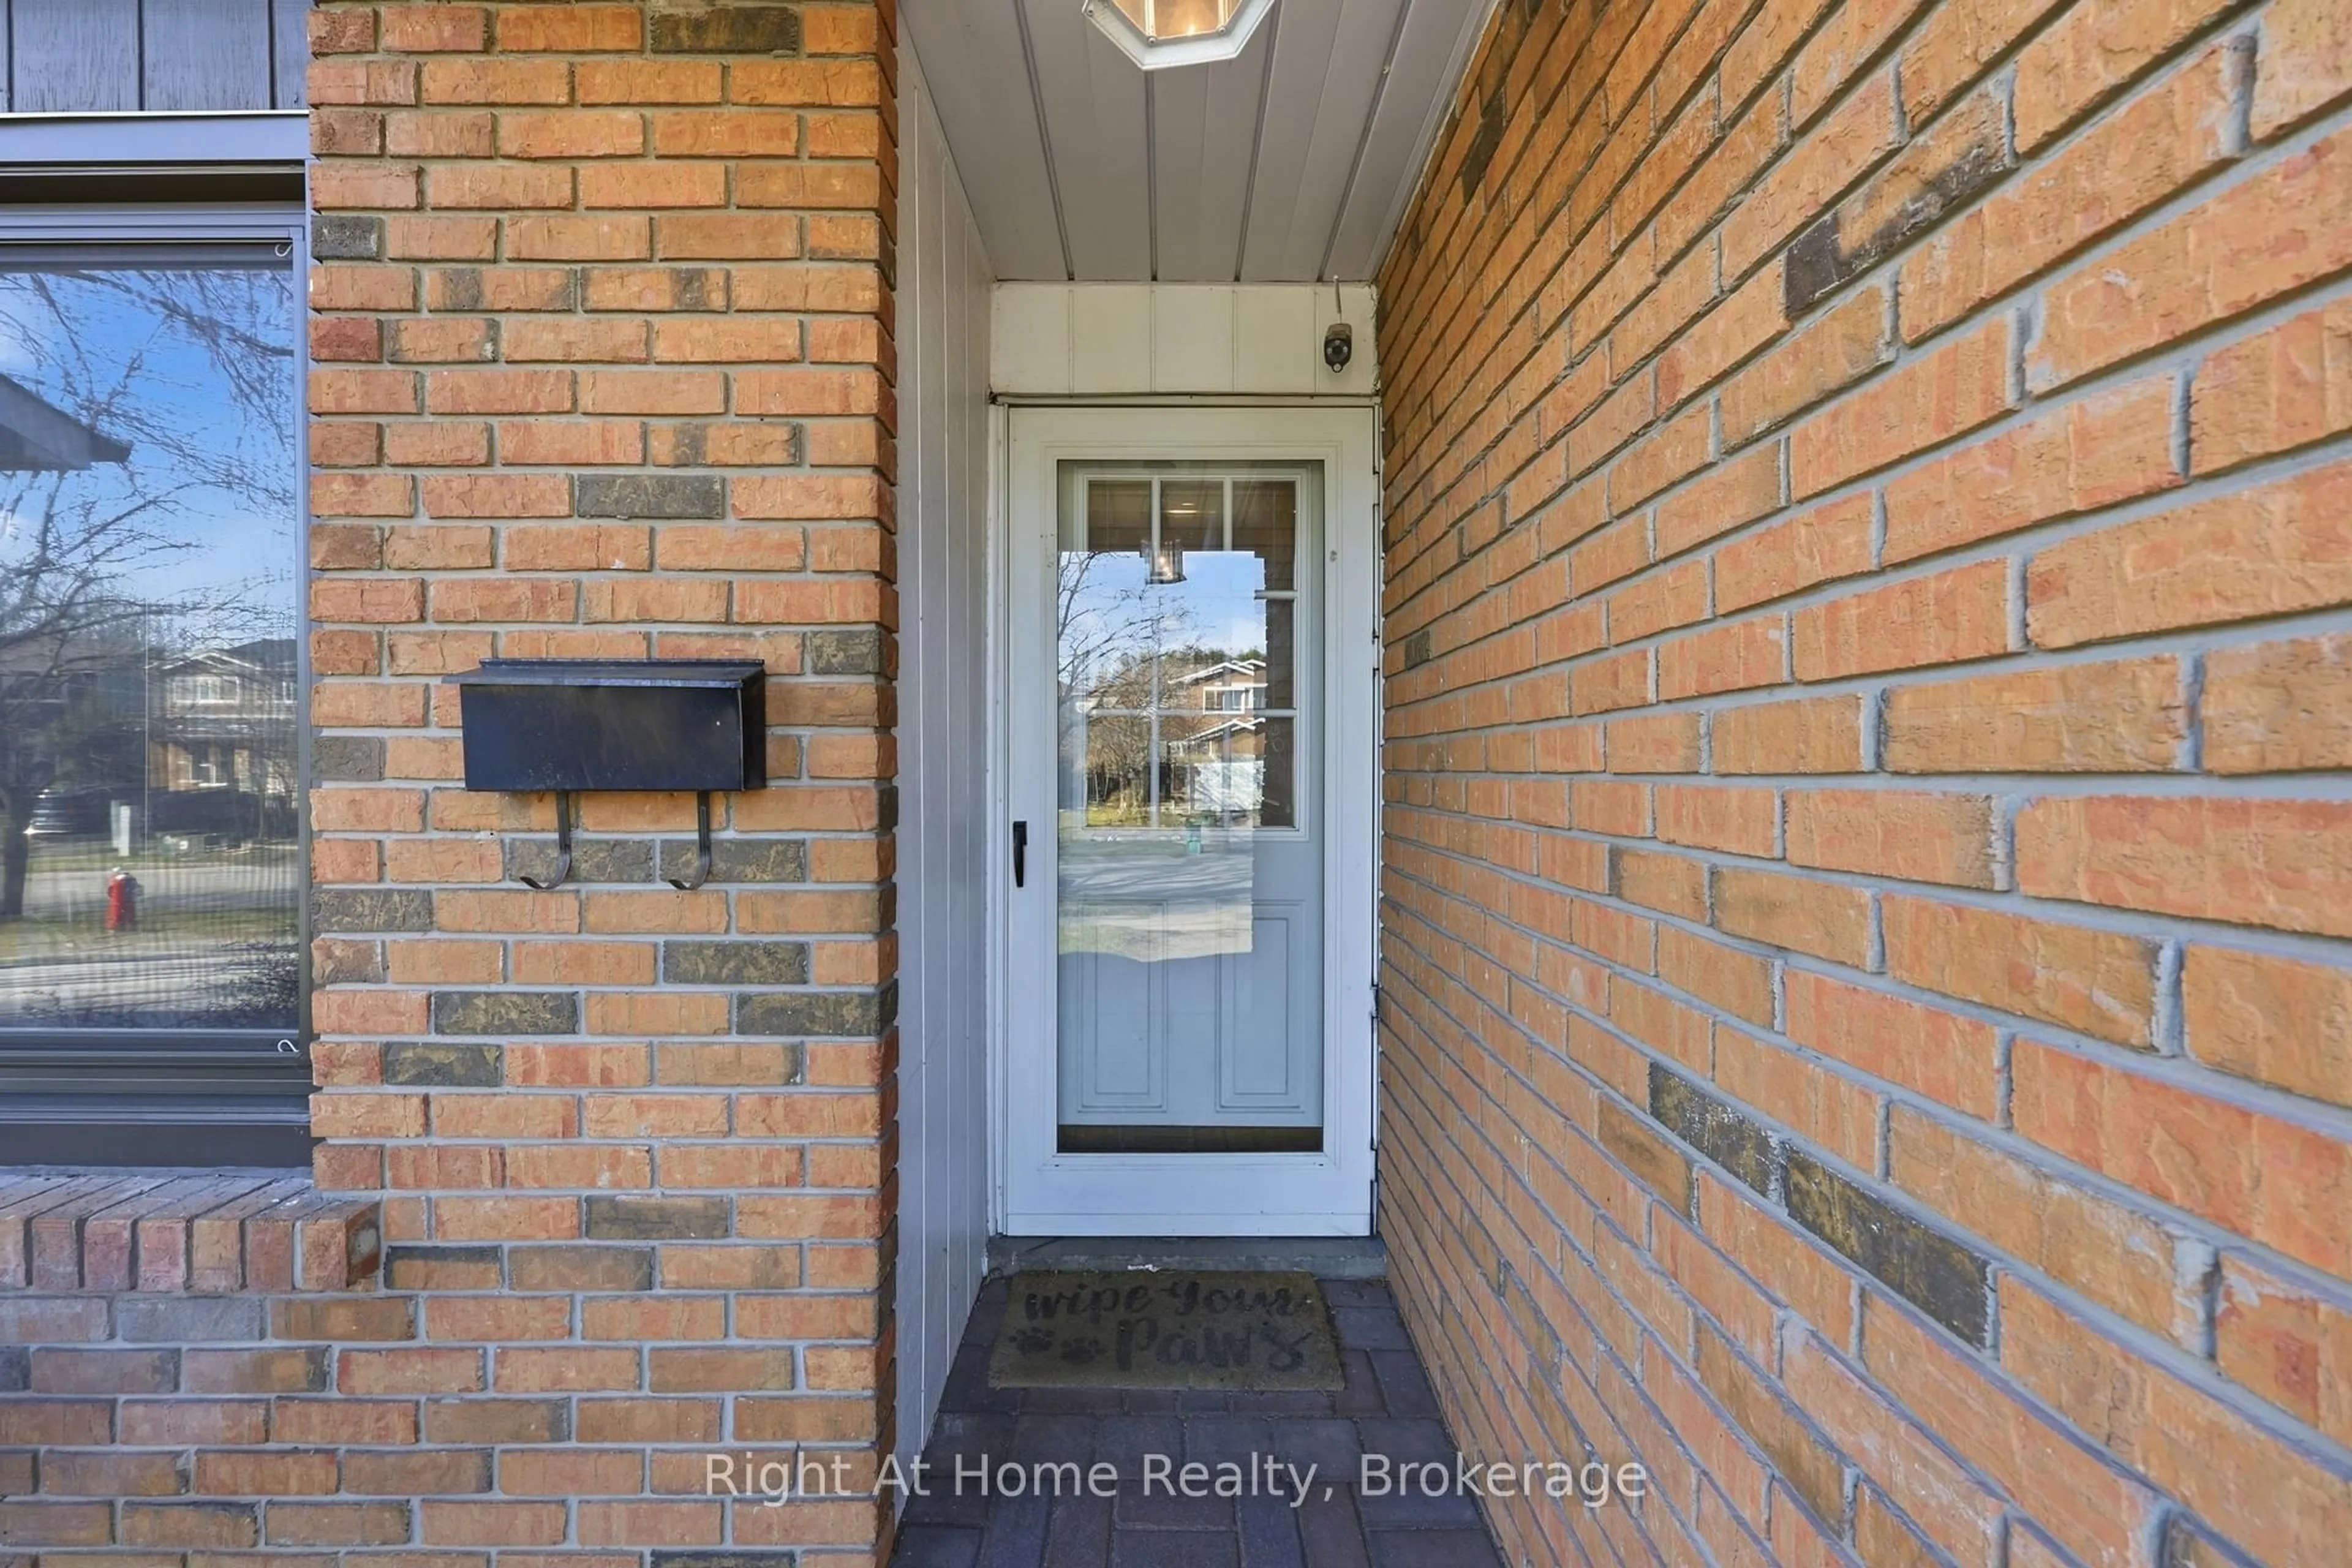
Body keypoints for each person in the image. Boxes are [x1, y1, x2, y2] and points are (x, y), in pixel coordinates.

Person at [105, 866, 141, 934]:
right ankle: (130, 926)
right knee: (129, 913)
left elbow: (110, 891)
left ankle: (114, 929)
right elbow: (136, 887)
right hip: (130, 898)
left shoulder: (116, 880)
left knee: (117, 914)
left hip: (119, 900)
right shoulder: (131, 879)